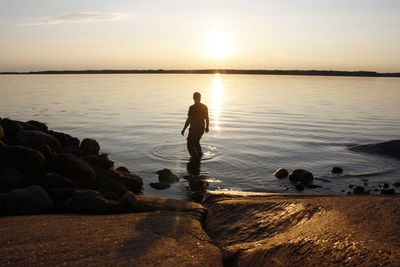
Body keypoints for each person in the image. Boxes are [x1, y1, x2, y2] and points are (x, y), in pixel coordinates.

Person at [181, 92, 209, 158]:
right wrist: (207, 127)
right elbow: (207, 118)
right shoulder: (205, 107)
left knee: (189, 144)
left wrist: (184, 129)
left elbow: (189, 120)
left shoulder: (192, 107)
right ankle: (199, 156)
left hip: (194, 128)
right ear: (200, 98)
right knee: (196, 142)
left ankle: (193, 159)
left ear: (193, 98)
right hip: (201, 128)